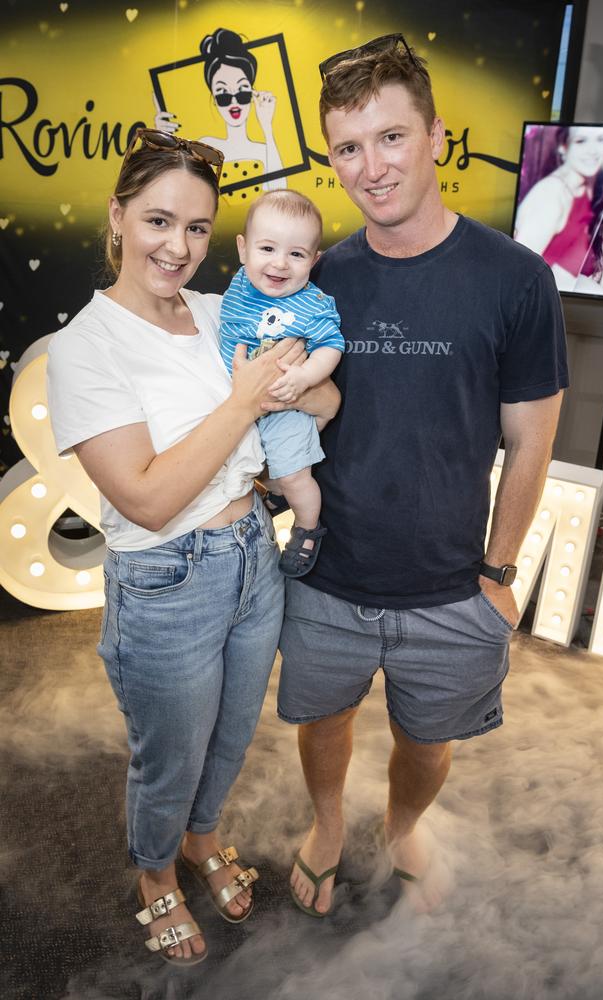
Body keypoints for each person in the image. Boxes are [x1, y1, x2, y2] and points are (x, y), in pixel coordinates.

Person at [274, 34, 568, 916]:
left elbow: (532, 438)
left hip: (452, 588)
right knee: (323, 722)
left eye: (392, 137)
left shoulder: (516, 279)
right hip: (327, 572)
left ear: (437, 135)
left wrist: (499, 571)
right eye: (349, 148)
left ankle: (402, 826)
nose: (372, 166)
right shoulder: (317, 278)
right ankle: (327, 824)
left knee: (426, 739)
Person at [46, 129, 339, 964]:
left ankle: (202, 839)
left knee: (231, 736)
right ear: (118, 217)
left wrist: (299, 388)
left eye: (199, 228)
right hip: (168, 577)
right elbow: (145, 493)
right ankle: (154, 876)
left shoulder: (225, 312)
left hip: (255, 548)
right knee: (168, 756)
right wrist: (249, 402)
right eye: (159, 222)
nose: (179, 248)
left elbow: (327, 402)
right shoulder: (85, 347)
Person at [220, 190, 345, 577]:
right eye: (268, 248)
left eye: (296, 254)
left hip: (285, 405)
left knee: (294, 475)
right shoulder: (239, 285)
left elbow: (332, 346)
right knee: (254, 473)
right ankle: (278, 496)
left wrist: (303, 378)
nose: (279, 264)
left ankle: (307, 528)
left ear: (314, 260)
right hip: (236, 405)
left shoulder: (314, 303)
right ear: (243, 249)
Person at [154, 27, 286, 200]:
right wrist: (162, 144)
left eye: (242, 91)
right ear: (214, 99)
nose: (234, 102)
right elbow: (174, 191)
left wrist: (267, 128)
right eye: (223, 94)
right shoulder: (204, 147)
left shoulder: (264, 151)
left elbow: (280, 194)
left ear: (253, 94)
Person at [514, 125, 603, 290]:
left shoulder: (585, 188)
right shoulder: (551, 193)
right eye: (581, 141)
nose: (593, 150)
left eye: (601, 139)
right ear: (563, 148)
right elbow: (516, 270)